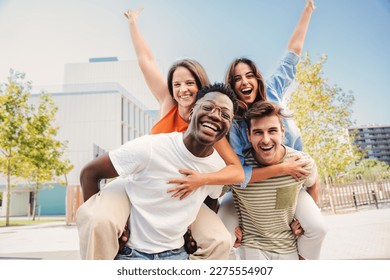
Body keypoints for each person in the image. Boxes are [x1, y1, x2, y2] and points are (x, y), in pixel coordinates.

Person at [76, 8, 244, 260]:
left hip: (181, 194)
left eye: (190, 83)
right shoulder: (168, 103)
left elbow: (232, 171)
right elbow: (146, 61)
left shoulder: (212, 127)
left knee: (219, 240)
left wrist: (199, 184)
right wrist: (133, 23)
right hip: (140, 181)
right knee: (100, 221)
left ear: (201, 89)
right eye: (177, 84)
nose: (182, 89)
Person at [218, 0, 327, 260]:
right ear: (232, 87)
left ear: (257, 78)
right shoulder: (234, 125)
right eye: (236, 79)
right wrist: (280, 169)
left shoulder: (275, 91)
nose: (243, 81)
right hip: (250, 193)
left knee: (315, 227)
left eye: (248, 75)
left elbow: (293, 52)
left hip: (291, 184)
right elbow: (238, 174)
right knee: (223, 232)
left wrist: (308, 9)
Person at [79, 83, 238, 260]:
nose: (216, 116)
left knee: (221, 241)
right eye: (208, 107)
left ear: (229, 126)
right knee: (99, 221)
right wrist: (102, 223)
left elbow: (211, 197)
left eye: (225, 114)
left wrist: (194, 233)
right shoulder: (150, 148)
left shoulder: (217, 168)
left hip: (177, 255)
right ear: (192, 112)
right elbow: (90, 173)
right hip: (130, 253)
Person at [234, 100, 321, 260]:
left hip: (288, 246)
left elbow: (313, 183)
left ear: (282, 132)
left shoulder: (300, 162)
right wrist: (230, 227)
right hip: (252, 246)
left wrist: (303, 221)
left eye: (272, 131)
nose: (266, 140)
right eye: (258, 132)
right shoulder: (239, 167)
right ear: (249, 135)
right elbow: (215, 193)